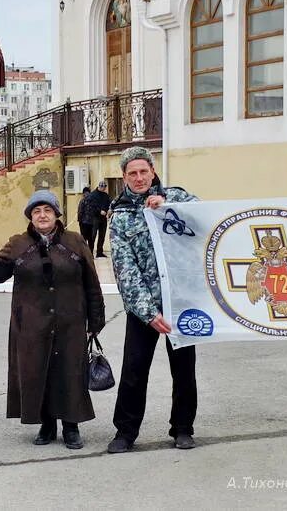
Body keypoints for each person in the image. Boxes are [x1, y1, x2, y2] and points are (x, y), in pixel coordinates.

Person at [0, 190, 105, 449]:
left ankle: (71, 426)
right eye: (36, 211)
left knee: (69, 372)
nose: (42, 215)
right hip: (31, 324)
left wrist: (95, 321)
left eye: (47, 210)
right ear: (30, 216)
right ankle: (47, 424)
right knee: (37, 372)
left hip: (70, 321)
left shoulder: (75, 241)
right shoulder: (18, 243)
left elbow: (91, 282)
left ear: (57, 214)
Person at [106, 146, 199, 454]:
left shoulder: (176, 197)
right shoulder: (120, 215)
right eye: (132, 173)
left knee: (184, 371)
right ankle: (125, 432)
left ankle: (183, 428)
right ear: (124, 177)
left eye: (143, 171)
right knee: (134, 370)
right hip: (143, 308)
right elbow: (125, 268)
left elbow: (205, 216)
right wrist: (147, 311)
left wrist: (168, 205)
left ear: (153, 171)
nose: (139, 178)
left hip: (179, 302)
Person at [90, 180, 112, 257]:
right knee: (93, 235)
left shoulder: (106, 195)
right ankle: (90, 252)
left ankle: (99, 252)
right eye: (103, 187)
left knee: (102, 236)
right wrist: (99, 211)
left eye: (105, 187)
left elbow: (109, 203)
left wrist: (109, 210)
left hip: (103, 218)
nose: (104, 189)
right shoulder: (93, 195)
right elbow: (92, 206)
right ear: (99, 186)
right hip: (95, 218)